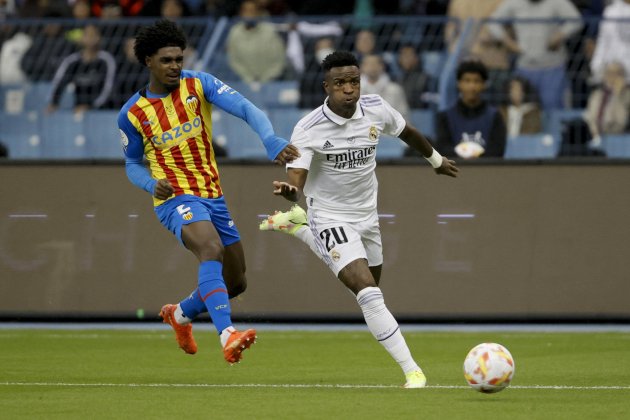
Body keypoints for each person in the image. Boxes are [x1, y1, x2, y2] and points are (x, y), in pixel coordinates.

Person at [259, 51, 459, 388]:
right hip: (329, 215)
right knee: (368, 293)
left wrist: (436, 160)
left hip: (367, 217)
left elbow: (407, 131)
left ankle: (299, 227)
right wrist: (291, 192)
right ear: (327, 87)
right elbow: (297, 178)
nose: (349, 89)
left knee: (371, 287)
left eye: (354, 81)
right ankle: (413, 371)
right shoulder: (309, 128)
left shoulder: (376, 108)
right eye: (340, 83)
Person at [117, 19, 299, 364]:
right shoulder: (132, 114)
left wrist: (270, 139)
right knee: (210, 248)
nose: (175, 66)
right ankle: (227, 334)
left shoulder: (199, 84)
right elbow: (131, 164)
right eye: (167, 60)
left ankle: (181, 314)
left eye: (179, 59)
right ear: (148, 62)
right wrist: (149, 183)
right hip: (174, 199)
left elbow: (247, 108)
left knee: (236, 282)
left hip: (212, 194)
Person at [488, 0, 582, 110]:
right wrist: (508, 42)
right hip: (524, 67)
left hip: (553, 67)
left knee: (552, 105)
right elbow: (492, 22)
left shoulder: (557, 2)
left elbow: (577, 20)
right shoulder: (514, 3)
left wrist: (560, 35)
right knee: (524, 108)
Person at [435, 60, 506, 159]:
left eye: (476, 81)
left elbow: (497, 151)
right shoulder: (445, 117)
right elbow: (443, 149)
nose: (472, 86)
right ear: (459, 84)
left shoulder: (495, 117)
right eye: (467, 81)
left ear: (484, 85)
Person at [47, 24, 116, 114]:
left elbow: (109, 89)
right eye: (87, 35)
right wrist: (54, 103)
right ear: (82, 38)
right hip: (78, 109)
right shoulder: (72, 61)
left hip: (102, 110)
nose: (90, 38)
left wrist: (91, 106)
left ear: (99, 38)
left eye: (93, 35)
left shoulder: (106, 60)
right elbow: (59, 83)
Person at [226, 0, 286, 83]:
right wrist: (248, 79)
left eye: (252, 11)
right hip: (243, 82)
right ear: (240, 13)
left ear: (258, 13)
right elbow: (233, 60)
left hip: (271, 81)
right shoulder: (235, 32)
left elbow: (279, 59)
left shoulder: (269, 31)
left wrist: (266, 79)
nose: (249, 15)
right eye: (245, 11)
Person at [583, 61, 630, 149]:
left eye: (617, 73)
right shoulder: (597, 94)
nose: (612, 76)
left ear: (623, 76)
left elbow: (622, 120)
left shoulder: (627, 94)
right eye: (609, 73)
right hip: (595, 136)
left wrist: (618, 93)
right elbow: (590, 116)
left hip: (619, 138)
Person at [360, 54, 410, 121]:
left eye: (375, 63)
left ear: (382, 66)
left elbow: (403, 116)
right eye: (368, 64)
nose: (372, 67)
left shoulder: (395, 89)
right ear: (362, 67)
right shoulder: (354, 91)